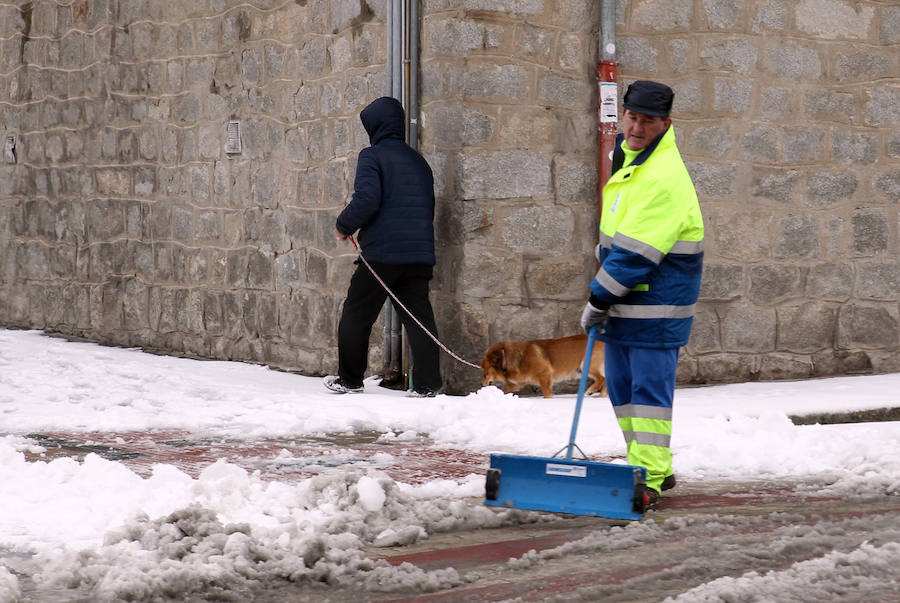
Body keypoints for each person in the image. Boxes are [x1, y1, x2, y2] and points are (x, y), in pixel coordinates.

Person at [580, 80, 704, 510]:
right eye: (632, 117)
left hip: (655, 306)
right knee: (624, 390)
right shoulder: (630, 160)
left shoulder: (662, 178)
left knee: (647, 398)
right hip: (628, 303)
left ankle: (648, 478)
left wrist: (598, 298)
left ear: (665, 124)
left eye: (647, 121)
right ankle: (653, 467)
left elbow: (635, 254)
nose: (636, 127)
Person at [323, 96, 442, 397]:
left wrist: (343, 226)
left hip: (382, 254)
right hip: (418, 254)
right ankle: (428, 385)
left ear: (374, 127)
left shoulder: (372, 156)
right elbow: (427, 206)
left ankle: (349, 379)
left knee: (357, 313)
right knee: (419, 319)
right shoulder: (419, 161)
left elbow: (367, 199)